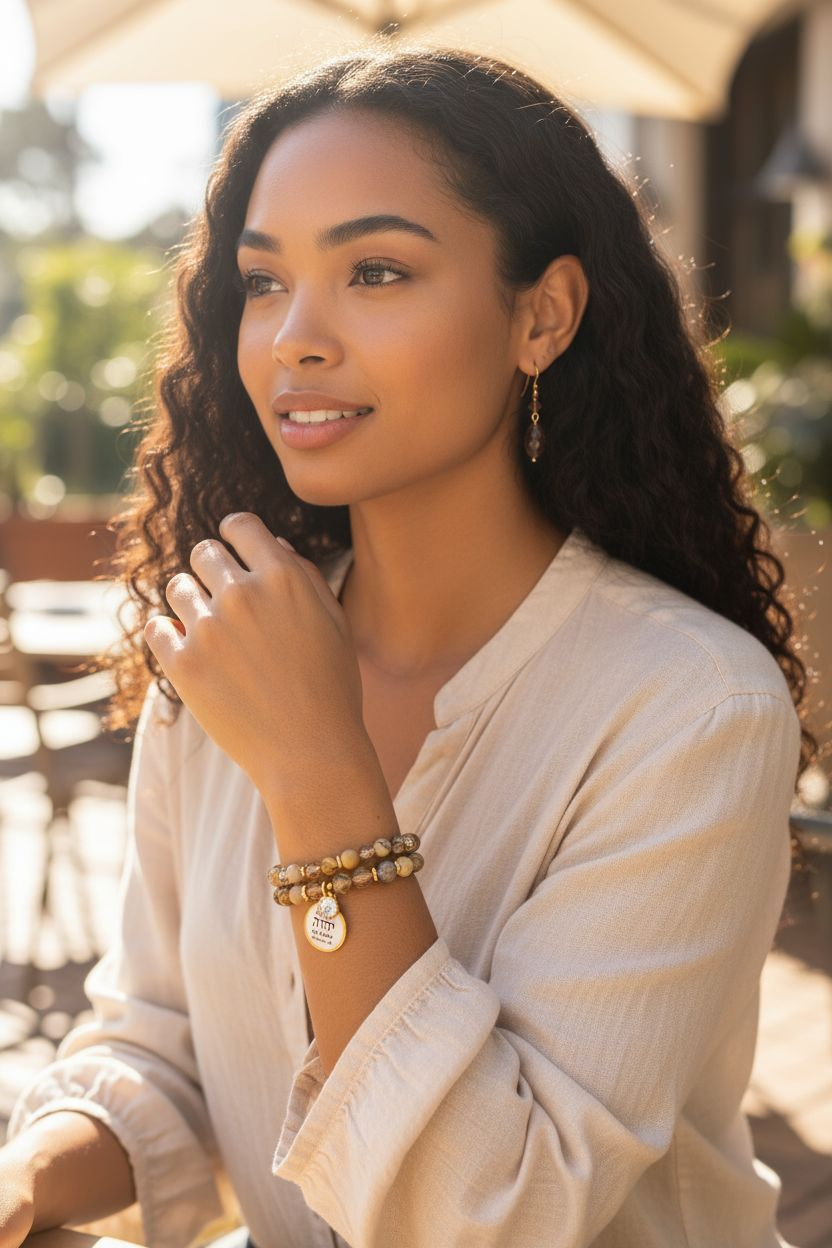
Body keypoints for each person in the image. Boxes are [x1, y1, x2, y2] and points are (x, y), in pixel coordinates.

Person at [0, 41, 817, 1248]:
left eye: (375, 271)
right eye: (263, 281)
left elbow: (496, 1209)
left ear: (542, 315)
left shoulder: (689, 709)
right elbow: (165, 1048)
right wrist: (21, 1183)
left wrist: (317, 769)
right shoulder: (228, 647)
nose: (294, 338)